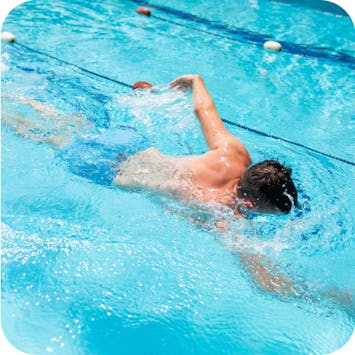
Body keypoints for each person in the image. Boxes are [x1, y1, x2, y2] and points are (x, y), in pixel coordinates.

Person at [2, 74, 298, 218]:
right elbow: (264, 277)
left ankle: (17, 95)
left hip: (131, 144)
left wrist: (195, 80)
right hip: (109, 171)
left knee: (66, 122)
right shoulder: (223, 212)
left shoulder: (234, 154)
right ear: (248, 204)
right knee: (42, 135)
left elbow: (203, 110)